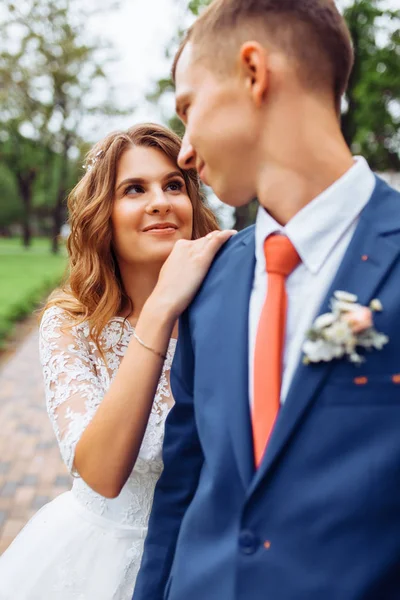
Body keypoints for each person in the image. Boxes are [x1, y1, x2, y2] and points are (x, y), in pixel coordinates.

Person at [133, 1, 400, 599]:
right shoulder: (211, 278)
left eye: (188, 107)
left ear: (253, 72)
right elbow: (184, 484)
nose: (183, 150)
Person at [0, 123, 235, 599]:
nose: (160, 201)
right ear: (102, 214)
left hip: (207, 560)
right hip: (99, 565)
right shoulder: (72, 325)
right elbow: (102, 473)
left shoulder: (228, 310)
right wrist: (162, 307)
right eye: (134, 189)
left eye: (174, 184)